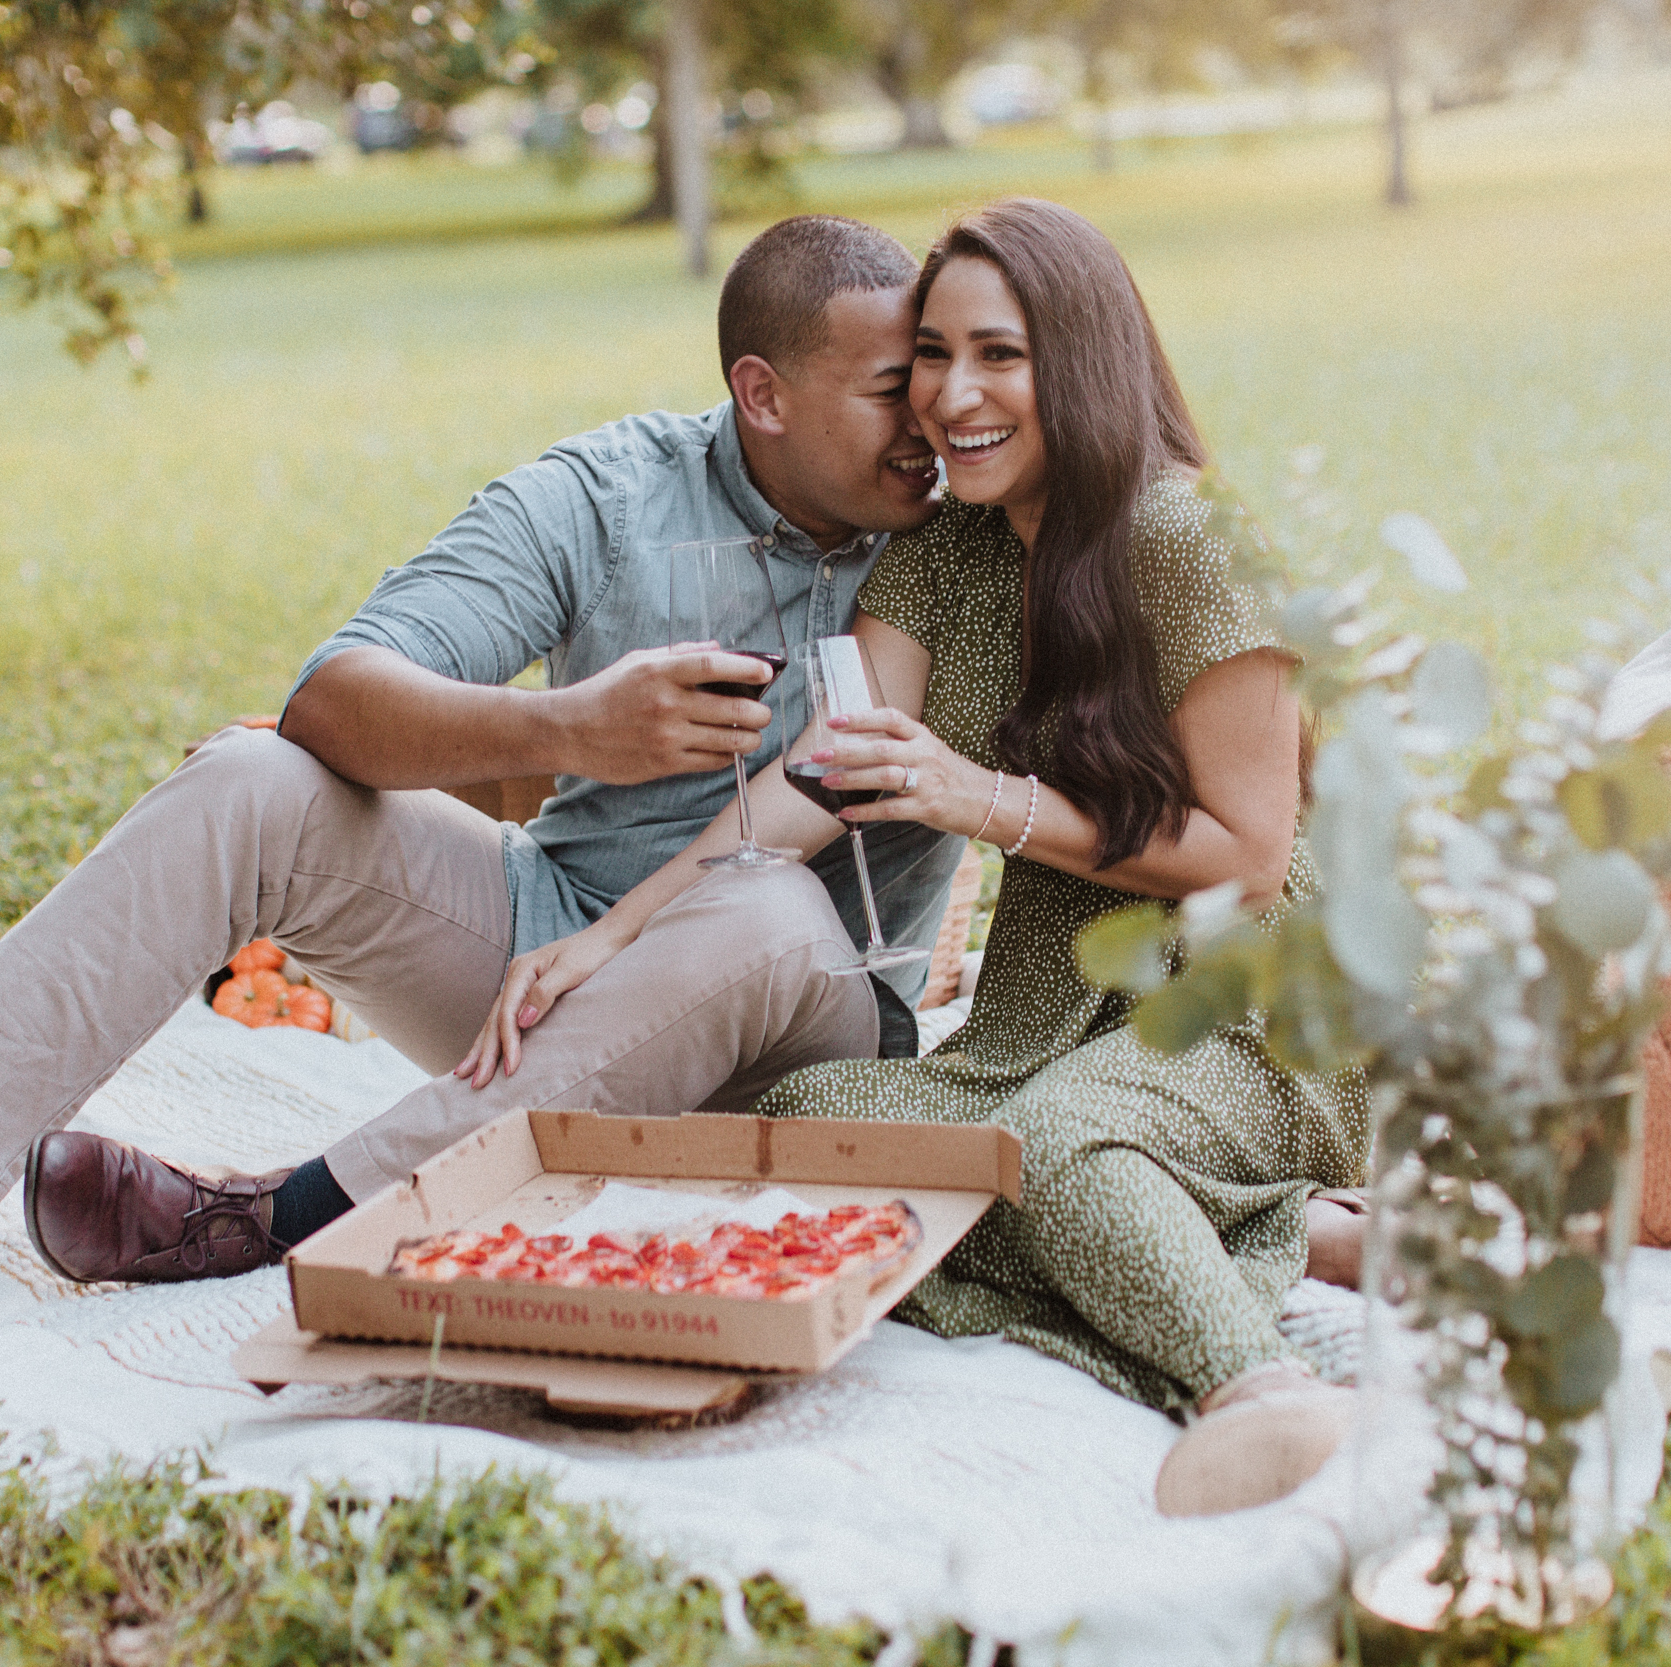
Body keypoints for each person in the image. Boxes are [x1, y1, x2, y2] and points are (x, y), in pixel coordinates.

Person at [0, 214, 964, 1317]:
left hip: (809, 1024)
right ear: (762, 395)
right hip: (536, 973)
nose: (934, 421)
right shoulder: (604, 496)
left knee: (767, 912)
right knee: (254, 780)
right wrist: (566, 729)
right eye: (894, 390)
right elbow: (337, 699)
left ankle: (269, 1212)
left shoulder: (970, 537)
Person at [485, 198, 1367, 1519]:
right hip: (1046, 1013)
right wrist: (612, 936)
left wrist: (989, 801)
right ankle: (1270, 1222)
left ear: (1084, 355)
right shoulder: (947, 554)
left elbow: (1250, 848)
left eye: (998, 355)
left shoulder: (1188, 545)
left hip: (1246, 998)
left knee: (1056, 1148)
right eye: (933, 359)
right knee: (808, 1125)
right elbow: (816, 774)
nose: (953, 398)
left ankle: (1256, 1384)